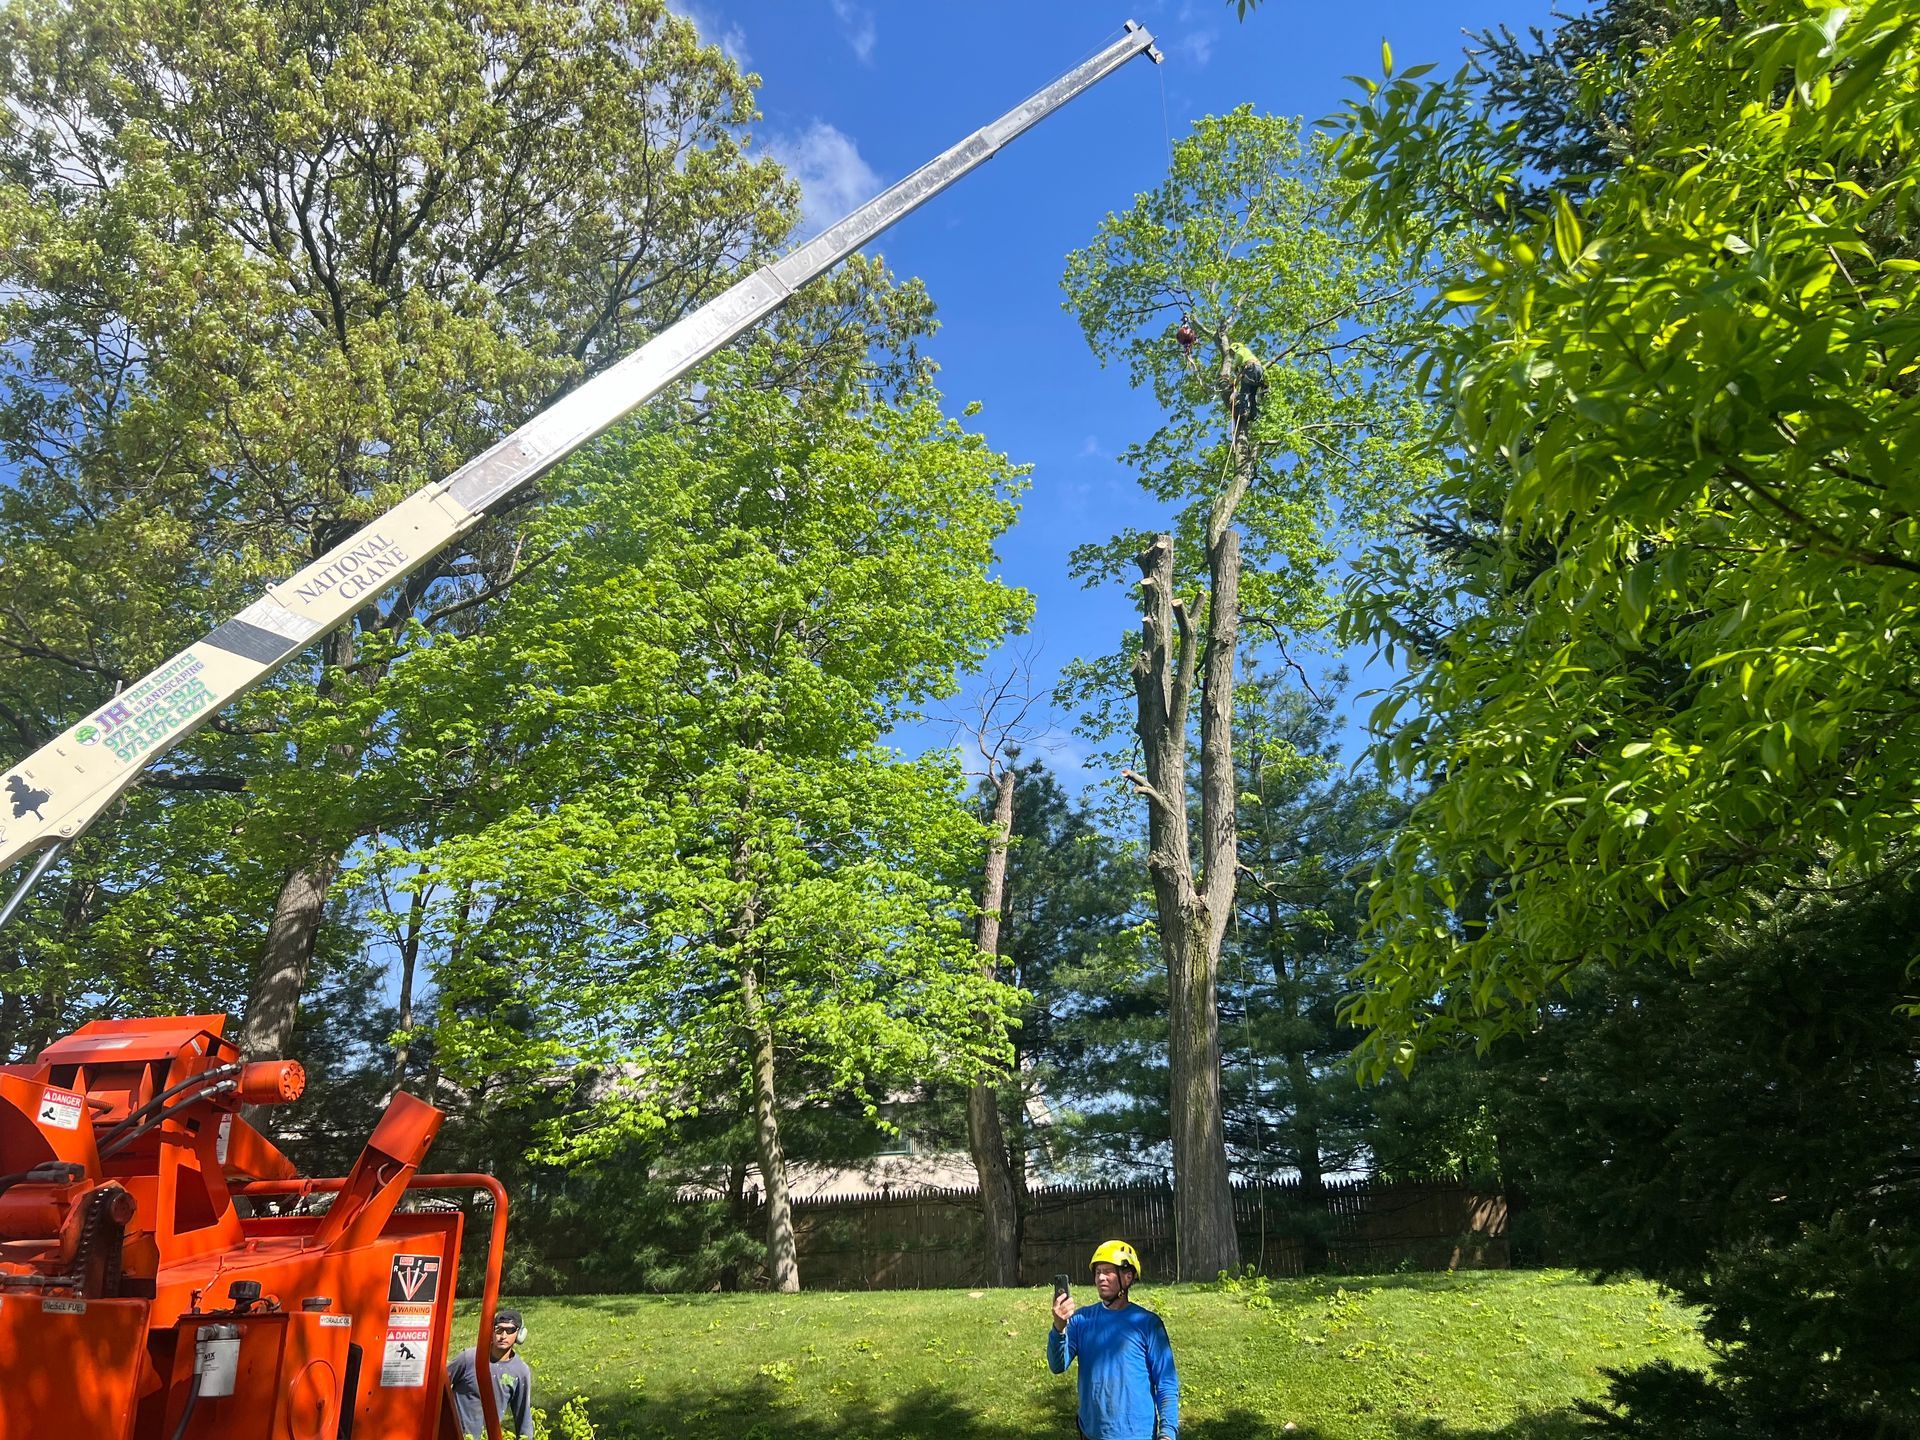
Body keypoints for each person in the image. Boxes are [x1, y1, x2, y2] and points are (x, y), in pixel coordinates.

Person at [1047, 1239, 1180, 1440]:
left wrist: (1168, 1433)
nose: (1101, 1277)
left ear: (1127, 1277)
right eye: (1097, 1272)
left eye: (1108, 1271)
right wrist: (1059, 1326)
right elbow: (1057, 1365)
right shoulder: (1080, 1320)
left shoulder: (1148, 1324)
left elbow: (1166, 1382)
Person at [448, 1307, 535, 1438]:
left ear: (520, 1334)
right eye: (499, 1329)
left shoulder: (520, 1371)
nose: (503, 1336)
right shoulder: (469, 1358)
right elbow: (438, 1386)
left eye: (510, 1330)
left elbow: (523, 1417)